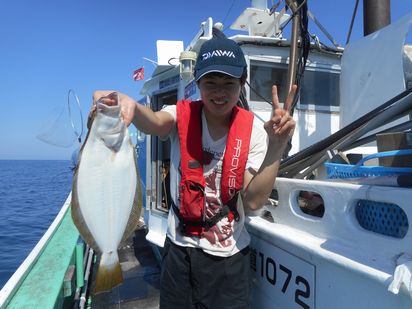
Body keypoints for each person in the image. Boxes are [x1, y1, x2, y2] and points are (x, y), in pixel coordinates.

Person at [93, 37, 296, 309]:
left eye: (229, 84)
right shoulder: (179, 115)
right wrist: (129, 104)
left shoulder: (255, 132)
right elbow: (153, 123)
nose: (219, 92)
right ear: (198, 83)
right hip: (179, 253)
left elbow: (253, 202)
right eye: (210, 83)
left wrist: (277, 146)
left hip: (229, 259)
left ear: (241, 85)